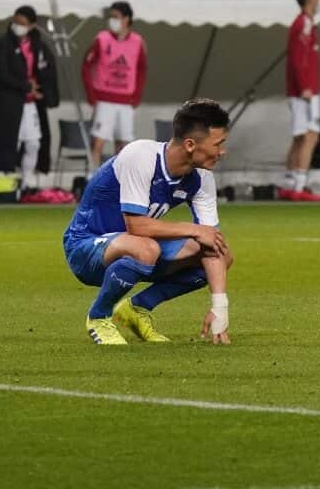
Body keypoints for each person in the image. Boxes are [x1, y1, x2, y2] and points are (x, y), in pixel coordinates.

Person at [62, 99, 234, 346]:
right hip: (85, 247)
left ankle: (137, 308)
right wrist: (194, 229)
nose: (222, 151)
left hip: (136, 249)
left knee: (220, 253)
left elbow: (211, 243)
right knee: (146, 247)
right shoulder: (141, 155)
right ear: (189, 144)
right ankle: (99, 317)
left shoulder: (203, 178)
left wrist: (220, 308)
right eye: (218, 144)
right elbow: (137, 226)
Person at [0, 5, 59, 191]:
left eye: (22, 23)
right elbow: (2, 72)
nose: (17, 26)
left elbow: (47, 71)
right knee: (11, 142)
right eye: (15, 22)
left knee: (34, 143)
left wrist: (45, 93)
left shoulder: (39, 46)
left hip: (31, 104)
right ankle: (7, 183)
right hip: (10, 102)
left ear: (32, 25)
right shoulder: (3, 43)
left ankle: (27, 180)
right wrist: (26, 86)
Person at [82, 1, 147, 172]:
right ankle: (93, 180)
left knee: (124, 145)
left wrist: (137, 95)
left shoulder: (137, 42)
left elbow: (142, 69)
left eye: (116, 17)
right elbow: (86, 65)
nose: (112, 20)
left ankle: (119, 183)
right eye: (110, 17)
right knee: (98, 141)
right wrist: (91, 93)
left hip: (125, 101)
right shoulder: (102, 38)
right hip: (104, 99)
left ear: (126, 19)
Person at [281, 0, 320, 202]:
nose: (319, 1)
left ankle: (289, 183)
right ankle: (299, 184)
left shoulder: (303, 23)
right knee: (310, 135)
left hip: (300, 89)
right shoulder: (304, 23)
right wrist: (305, 86)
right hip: (305, 91)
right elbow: (298, 58)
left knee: (299, 137)